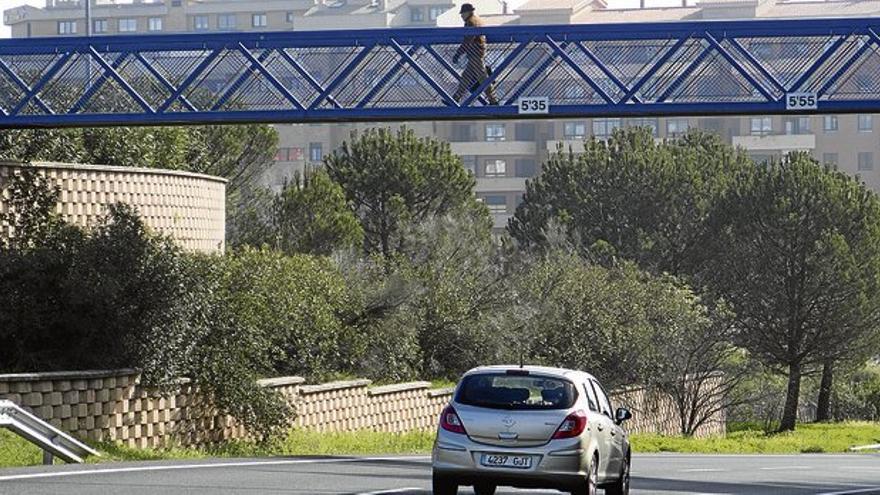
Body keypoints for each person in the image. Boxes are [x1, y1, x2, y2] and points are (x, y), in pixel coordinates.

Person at [452, 3, 499, 105]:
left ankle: (493, 100)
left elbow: (468, 40)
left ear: (468, 12)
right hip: (478, 52)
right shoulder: (477, 20)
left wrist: (458, 53)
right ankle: (456, 98)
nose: (461, 16)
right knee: (466, 76)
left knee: (483, 77)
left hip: (475, 53)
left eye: (463, 13)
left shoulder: (470, 22)